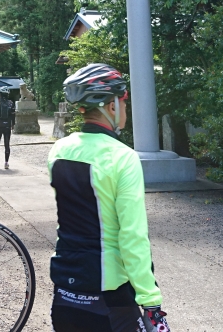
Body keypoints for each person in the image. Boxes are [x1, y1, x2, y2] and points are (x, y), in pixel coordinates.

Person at [48, 63, 170, 332]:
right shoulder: (122, 158)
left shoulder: (59, 150)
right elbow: (132, 236)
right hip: (109, 299)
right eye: (123, 102)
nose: (125, 108)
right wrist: (151, 302)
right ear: (111, 106)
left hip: (65, 292)